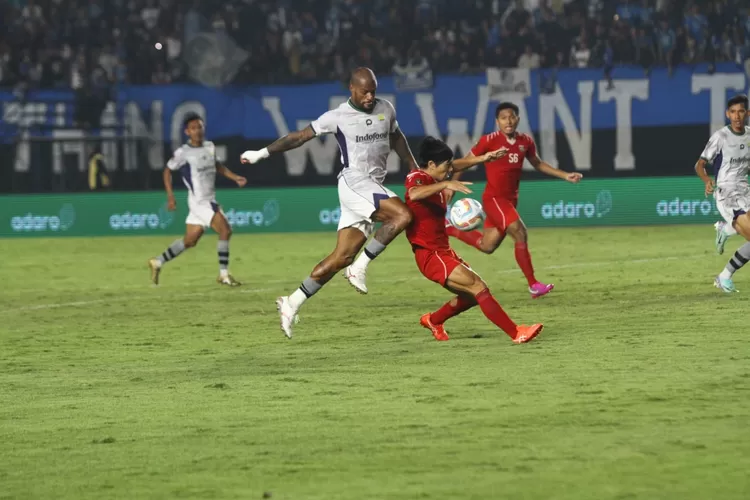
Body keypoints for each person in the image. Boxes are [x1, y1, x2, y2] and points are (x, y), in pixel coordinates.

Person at [240, 67, 418, 338]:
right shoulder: (337, 117)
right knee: (403, 216)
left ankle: (292, 303)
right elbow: (299, 137)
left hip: (371, 186)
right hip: (354, 182)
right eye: (364, 92)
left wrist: (413, 165)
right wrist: (261, 153)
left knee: (340, 257)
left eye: (373, 90)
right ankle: (359, 268)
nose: (370, 96)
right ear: (352, 89)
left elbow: (396, 137)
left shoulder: (386, 108)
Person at [406, 136, 544, 343]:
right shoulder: (417, 177)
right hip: (430, 254)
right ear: (431, 164)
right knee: (478, 287)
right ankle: (516, 333)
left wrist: (485, 158)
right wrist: (446, 183)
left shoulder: (438, 175)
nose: (450, 170)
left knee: (470, 297)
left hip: (442, 250)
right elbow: (414, 194)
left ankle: (434, 320)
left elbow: (458, 164)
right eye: (445, 167)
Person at [447, 102, 583, 298]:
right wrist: (452, 185)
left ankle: (448, 227)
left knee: (488, 246)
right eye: (503, 118)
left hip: (510, 200)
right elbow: (464, 163)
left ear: (518, 119)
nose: (508, 121)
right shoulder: (489, 141)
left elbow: (537, 163)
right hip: (494, 199)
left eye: (511, 117)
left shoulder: (525, 142)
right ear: (497, 121)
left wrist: (565, 175)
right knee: (520, 232)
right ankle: (533, 284)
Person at [148, 113, 247, 286]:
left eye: (200, 127)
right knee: (225, 231)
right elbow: (167, 171)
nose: (198, 131)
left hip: (208, 199)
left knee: (190, 241)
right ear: (187, 132)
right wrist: (170, 197)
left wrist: (235, 177)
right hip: (200, 202)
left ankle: (158, 261)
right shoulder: (183, 153)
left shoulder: (210, 146)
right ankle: (223, 275)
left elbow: (217, 166)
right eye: (193, 128)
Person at [695, 94, 750, 292]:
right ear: (728, 114)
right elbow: (700, 165)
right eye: (733, 112)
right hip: (727, 192)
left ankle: (726, 230)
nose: (737, 116)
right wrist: (707, 180)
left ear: (747, 113)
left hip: (745, 190)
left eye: (741, 111)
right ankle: (724, 276)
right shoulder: (720, 137)